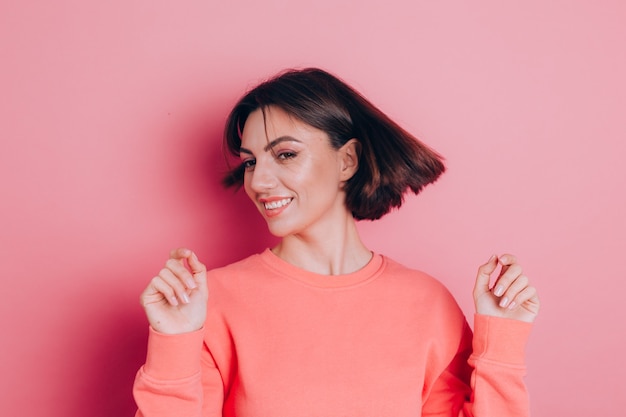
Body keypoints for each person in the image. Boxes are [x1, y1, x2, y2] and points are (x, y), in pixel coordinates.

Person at [132, 68, 540, 417]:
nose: (258, 181)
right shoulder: (210, 302)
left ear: (347, 160)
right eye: (251, 161)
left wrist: (501, 340)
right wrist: (174, 341)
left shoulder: (428, 304)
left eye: (286, 155)